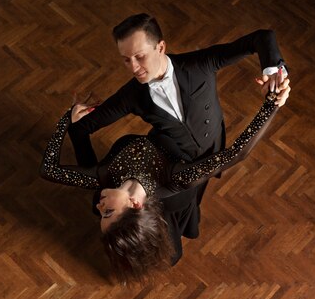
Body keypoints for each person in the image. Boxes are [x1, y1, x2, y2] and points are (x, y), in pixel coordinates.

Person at [67, 14, 291, 262]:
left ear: (160, 47)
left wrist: (274, 76)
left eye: (139, 57)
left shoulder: (199, 64)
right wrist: (95, 179)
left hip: (212, 148)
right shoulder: (133, 94)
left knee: (196, 194)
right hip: (170, 171)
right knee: (171, 219)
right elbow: (79, 130)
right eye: (126, 60)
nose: (133, 68)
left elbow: (262, 38)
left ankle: (190, 218)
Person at [40, 90, 282, 282]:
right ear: (134, 204)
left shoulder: (103, 178)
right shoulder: (175, 178)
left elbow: (48, 169)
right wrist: (272, 102)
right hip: (172, 201)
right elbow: (236, 154)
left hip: (164, 203)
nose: (99, 205)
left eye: (101, 214)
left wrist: (67, 119)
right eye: (108, 212)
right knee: (170, 252)